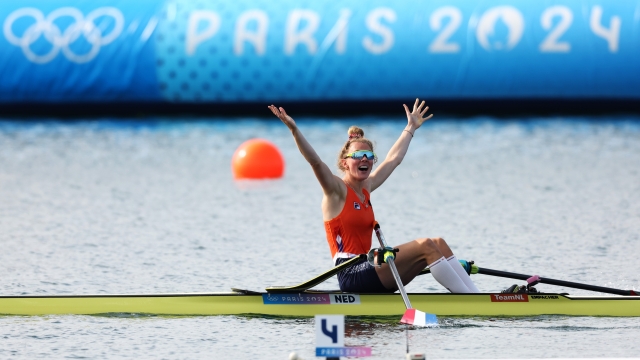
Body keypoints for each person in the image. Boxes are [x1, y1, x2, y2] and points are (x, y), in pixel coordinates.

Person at [268, 99, 479, 294]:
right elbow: (315, 162)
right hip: (350, 273)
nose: (365, 160)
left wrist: (411, 127)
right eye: (358, 155)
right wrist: (294, 130)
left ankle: (475, 297)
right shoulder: (336, 190)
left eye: (369, 156)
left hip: (370, 265)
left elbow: (393, 159)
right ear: (345, 162)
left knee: (437, 242)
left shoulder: (367, 187)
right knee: (425, 245)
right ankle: (471, 303)